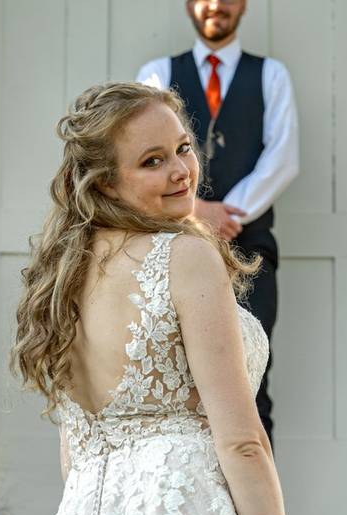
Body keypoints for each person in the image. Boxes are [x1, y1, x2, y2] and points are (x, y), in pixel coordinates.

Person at [7, 82, 307, 515]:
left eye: (183, 148)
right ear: (105, 181)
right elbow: (241, 442)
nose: (180, 171)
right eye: (152, 161)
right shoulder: (185, 255)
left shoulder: (61, 275)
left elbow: (77, 449)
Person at [136, 0, 299, 447]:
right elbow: (136, 158)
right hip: (169, 251)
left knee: (251, 382)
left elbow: (282, 160)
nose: (216, 6)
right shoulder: (156, 74)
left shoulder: (271, 76)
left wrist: (229, 215)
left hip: (250, 252)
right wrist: (195, 212)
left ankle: (253, 513)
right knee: (176, 384)